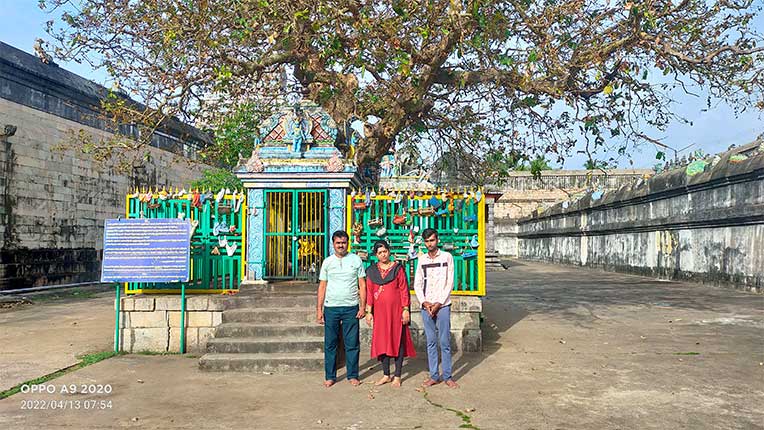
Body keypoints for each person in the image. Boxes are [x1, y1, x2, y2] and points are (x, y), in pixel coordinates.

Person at [317, 230, 367, 388]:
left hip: (351, 307)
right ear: (333, 244)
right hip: (331, 308)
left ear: (347, 243)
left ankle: (352, 375)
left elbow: (362, 285)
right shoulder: (327, 262)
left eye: (343, 243)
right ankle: (330, 376)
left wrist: (363, 306)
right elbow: (322, 286)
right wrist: (319, 309)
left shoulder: (356, 260)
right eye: (338, 243)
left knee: (352, 343)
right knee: (330, 344)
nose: (341, 245)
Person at [364, 240, 416, 387]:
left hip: (396, 312)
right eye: (380, 252)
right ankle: (386, 374)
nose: (383, 254)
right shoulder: (372, 271)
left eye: (385, 251)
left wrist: (405, 309)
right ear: (376, 255)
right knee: (382, 343)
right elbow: (369, 292)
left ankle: (398, 375)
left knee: (397, 341)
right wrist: (369, 312)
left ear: (389, 251)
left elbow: (404, 290)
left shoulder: (398, 269)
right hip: (380, 313)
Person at [413, 228, 458, 388]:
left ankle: (447, 376)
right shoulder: (422, 259)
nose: (429, 244)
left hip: (443, 306)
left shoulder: (447, 257)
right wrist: (424, 302)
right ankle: (434, 375)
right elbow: (417, 283)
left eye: (432, 240)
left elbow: (449, 282)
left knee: (444, 342)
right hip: (426, 307)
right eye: (426, 241)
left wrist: (439, 303)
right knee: (431, 342)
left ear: (437, 240)